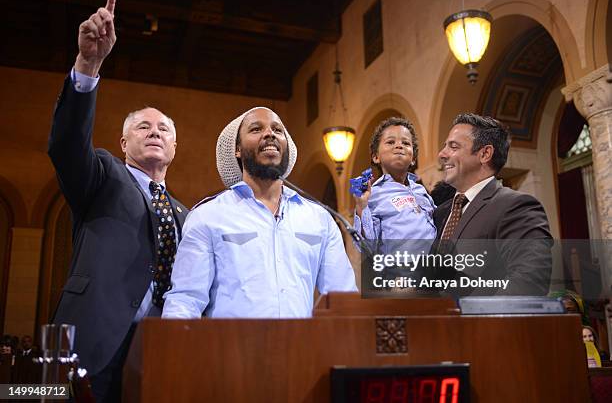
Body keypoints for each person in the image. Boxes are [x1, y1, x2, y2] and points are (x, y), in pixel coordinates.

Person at [48, 0, 187, 402]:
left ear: (174, 146)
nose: (155, 131)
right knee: (37, 396)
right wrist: (88, 66)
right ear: (124, 142)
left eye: (163, 128)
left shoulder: (184, 214)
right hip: (88, 339)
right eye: (144, 126)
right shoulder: (104, 175)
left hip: (159, 350)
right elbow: (67, 144)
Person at [162, 107, 357, 319]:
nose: (269, 134)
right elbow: (185, 301)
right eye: (256, 129)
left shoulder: (318, 218)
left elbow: (342, 299)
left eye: (277, 130)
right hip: (231, 350)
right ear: (237, 149)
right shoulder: (208, 215)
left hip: (302, 349)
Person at [434, 113, 552, 295]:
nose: (442, 154)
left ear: (485, 154)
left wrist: (472, 320)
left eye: (453, 146)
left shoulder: (516, 207)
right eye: (444, 147)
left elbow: (529, 282)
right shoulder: (439, 213)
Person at [353, 117, 436, 257]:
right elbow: (366, 246)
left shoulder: (421, 190)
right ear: (376, 157)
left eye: (406, 143)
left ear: (413, 158)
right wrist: (361, 207)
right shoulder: (373, 195)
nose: (399, 146)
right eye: (390, 142)